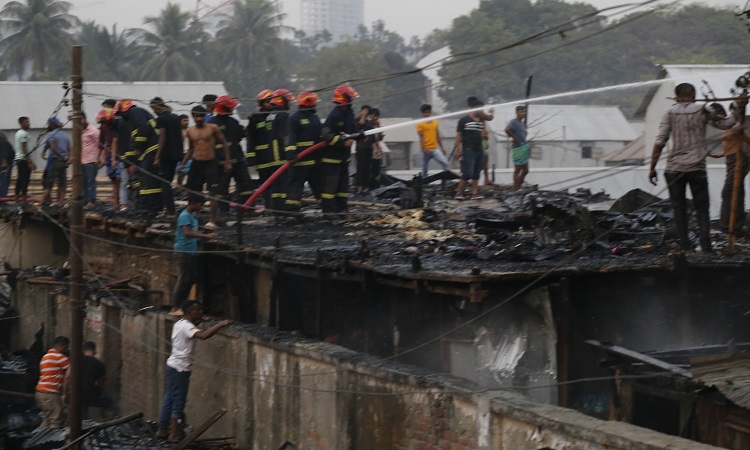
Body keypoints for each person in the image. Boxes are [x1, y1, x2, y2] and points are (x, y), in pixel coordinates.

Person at [649, 83, 744, 252]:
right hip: (696, 169)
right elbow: (726, 123)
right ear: (693, 94)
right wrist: (739, 106)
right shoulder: (703, 110)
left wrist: (652, 168)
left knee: (678, 209)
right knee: (702, 209)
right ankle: (706, 246)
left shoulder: (669, 113)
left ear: (677, 96)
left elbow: (659, 141)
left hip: (674, 169)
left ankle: (685, 247)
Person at [157, 300, 232, 441]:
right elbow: (202, 336)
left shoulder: (180, 323)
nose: (201, 312)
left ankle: (162, 430)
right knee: (178, 402)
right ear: (190, 312)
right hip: (181, 369)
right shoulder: (186, 326)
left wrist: (203, 320)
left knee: (169, 398)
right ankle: (174, 434)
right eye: (198, 310)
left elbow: (192, 329)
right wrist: (221, 324)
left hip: (172, 365)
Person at [179, 106, 230, 228]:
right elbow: (191, 149)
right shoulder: (190, 131)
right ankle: (192, 217)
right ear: (193, 117)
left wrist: (227, 161)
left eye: (201, 116)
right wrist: (182, 164)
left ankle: (212, 220)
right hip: (197, 163)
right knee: (193, 192)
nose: (199, 118)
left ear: (205, 116)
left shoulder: (213, 128)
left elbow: (224, 143)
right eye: (196, 116)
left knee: (213, 193)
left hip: (210, 162)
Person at [208, 95, 253, 213]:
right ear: (226, 108)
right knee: (224, 189)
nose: (233, 109)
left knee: (243, 186)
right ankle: (233, 210)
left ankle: (236, 210)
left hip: (234, 161)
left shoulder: (215, 123)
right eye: (232, 107)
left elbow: (241, 134)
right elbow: (241, 135)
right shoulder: (219, 123)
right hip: (225, 162)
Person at [116, 99, 162, 214]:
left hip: (152, 149)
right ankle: (147, 206)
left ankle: (151, 208)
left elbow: (144, 129)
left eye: (120, 113)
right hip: (148, 151)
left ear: (125, 110)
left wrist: (138, 147)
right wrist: (131, 161)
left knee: (148, 179)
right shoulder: (132, 120)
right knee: (143, 179)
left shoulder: (135, 112)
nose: (120, 117)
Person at [320, 85, 361, 214]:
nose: (352, 101)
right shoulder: (335, 115)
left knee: (343, 188)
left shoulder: (349, 112)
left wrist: (359, 135)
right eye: (351, 99)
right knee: (330, 189)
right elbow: (326, 135)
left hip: (343, 159)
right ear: (345, 99)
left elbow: (352, 130)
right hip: (331, 160)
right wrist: (342, 142)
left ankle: (342, 210)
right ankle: (329, 213)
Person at [284, 91, 323, 211]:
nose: (315, 105)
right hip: (299, 162)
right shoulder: (294, 119)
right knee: (295, 188)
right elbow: (290, 138)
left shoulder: (314, 118)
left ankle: (328, 211)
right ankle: (292, 213)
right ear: (308, 103)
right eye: (314, 103)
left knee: (320, 188)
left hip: (315, 161)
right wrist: (291, 155)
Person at [151, 97, 184, 217]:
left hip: (166, 155)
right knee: (168, 181)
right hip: (176, 155)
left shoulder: (161, 119)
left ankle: (170, 211)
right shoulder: (175, 117)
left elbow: (162, 137)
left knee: (164, 183)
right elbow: (181, 136)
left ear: (157, 108)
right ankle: (169, 209)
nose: (154, 112)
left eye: (154, 109)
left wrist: (157, 157)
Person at [245, 89, 276, 206]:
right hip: (262, 159)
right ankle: (268, 206)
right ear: (261, 103)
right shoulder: (255, 119)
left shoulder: (277, 116)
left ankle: (276, 206)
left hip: (276, 158)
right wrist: (251, 158)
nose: (271, 104)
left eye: (272, 101)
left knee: (277, 184)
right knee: (265, 184)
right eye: (268, 102)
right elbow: (250, 139)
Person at [265, 88, 295, 210]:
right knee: (284, 184)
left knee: (276, 185)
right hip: (281, 155)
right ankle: (283, 209)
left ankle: (275, 209)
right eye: (288, 101)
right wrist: (291, 152)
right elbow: (285, 136)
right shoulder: (283, 116)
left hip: (272, 154)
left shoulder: (269, 116)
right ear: (282, 101)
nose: (290, 103)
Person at [454, 99, 486, 200]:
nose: (482, 111)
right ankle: (458, 193)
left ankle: (475, 194)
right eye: (480, 109)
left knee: (476, 173)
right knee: (468, 173)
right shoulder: (464, 120)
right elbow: (459, 136)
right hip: (469, 150)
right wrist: (458, 149)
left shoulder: (481, 121)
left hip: (479, 149)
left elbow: (482, 132)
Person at [35, 336, 70, 429]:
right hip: (51, 393)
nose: (67, 350)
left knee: (47, 420)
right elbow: (68, 376)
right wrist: (64, 393)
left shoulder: (45, 357)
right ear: (61, 346)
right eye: (66, 347)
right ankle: (52, 443)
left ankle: (36, 440)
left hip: (40, 393)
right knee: (56, 421)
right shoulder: (60, 357)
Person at [81, 341, 117, 420]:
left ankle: (81, 428)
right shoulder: (99, 364)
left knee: (82, 413)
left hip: (77, 392)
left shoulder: (77, 361)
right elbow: (100, 383)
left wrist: (65, 393)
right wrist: (99, 392)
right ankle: (110, 424)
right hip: (90, 391)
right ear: (94, 350)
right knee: (110, 404)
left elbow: (67, 377)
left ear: (83, 350)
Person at [98, 103, 122, 210]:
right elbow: (101, 142)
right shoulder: (103, 127)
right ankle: (116, 204)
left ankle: (121, 203)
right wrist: (100, 157)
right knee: (114, 180)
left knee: (120, 179)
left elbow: (116, 142)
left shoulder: (118, 124)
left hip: (119, 155)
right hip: (109, 155)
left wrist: (113, 158)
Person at [41, 117, 70, 205]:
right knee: (62, 183)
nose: (48, 126)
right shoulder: (66, 136)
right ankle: (60, 203)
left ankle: (42, 203)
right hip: (64, 163)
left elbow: (53, 148)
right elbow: (70, 150)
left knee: (49, 183)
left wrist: (60, 156)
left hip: (55, 161)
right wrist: (67, 159)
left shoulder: (51, 135)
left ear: (53, 124)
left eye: (49, 124)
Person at [416, 104, 449, 178]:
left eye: (427, 112)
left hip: (434, 149)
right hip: (424, 150)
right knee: (424, 170)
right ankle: (425, 184)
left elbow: (437, 135)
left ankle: (447, 180)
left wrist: (442, 148)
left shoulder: (435, 122)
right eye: (424, 113)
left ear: (430, 112)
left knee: (445, 163)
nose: (426, 115)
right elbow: (421, 137)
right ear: (422, 113)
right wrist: (424, 148)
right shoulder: (420, 124)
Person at [505, 105, 529, 191]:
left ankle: (518, 185)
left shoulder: (522, 123)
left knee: (526, 170)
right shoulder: (514, 122)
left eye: (524, 112)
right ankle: (516, 188)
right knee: (518, 169)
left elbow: (524, 133)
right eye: (521, 112)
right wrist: (514, 137)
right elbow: (507, 129)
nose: (523, 113)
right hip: (518, 147)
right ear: (516, 113)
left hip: (523, 146)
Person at [81, 113, 102, 206]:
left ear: (85, 119)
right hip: (82, 161)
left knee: (91, 182)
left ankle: (91, 201)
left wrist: (100, 157)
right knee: (83, 182)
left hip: (91, 160)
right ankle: (85, 200)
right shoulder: (80, 131)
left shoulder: (93, 131)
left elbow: (101, 145)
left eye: (81, 120)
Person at [354, 105, 374, 193]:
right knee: (360, 168)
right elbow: (358, 128)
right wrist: (362, 116)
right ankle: (359, 187)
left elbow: (373, 136)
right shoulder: (356, 120)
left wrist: (376, 148)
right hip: (361, 148)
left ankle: (366, 187)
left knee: (367, 168)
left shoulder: (369, 123)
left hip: (369, 148)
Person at [14, 116, 34, 204]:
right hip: (23, 159)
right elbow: (24, 147)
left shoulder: (18, 133)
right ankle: (24, 199)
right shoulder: (24, 134)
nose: (28, 123)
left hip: (19, 159)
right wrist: (29, 162)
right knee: (25, 179)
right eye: (26, 122)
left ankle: (17, 198)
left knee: (20, 178)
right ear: (21, 123)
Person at [369, 108, 385, 189]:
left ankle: (376, 187)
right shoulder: (368, 125)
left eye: (377, 116)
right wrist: (375, 148)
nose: (375, 118)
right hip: (371, 149)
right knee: (370, 169)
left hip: (377, 150)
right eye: (374, 116)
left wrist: (381, 134)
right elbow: (371, 139)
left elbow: (379, 139)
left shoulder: (377, 124)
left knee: (377, 170)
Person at [177, 114, 190, 186]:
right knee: (181, 174)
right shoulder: (178, 131)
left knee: (189, 174)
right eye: (184, 121)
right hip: (181, 154)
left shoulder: (190, 130)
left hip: (190, 154)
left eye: (187, 120)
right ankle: (179, 189)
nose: (186, 122)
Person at [0, 131, 14, 199]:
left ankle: (2, 200)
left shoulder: (1, 136)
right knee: (3, 181)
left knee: (4, 182)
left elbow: (4, 148)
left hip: (4, 162)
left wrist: (4, 161)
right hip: (4, 161)